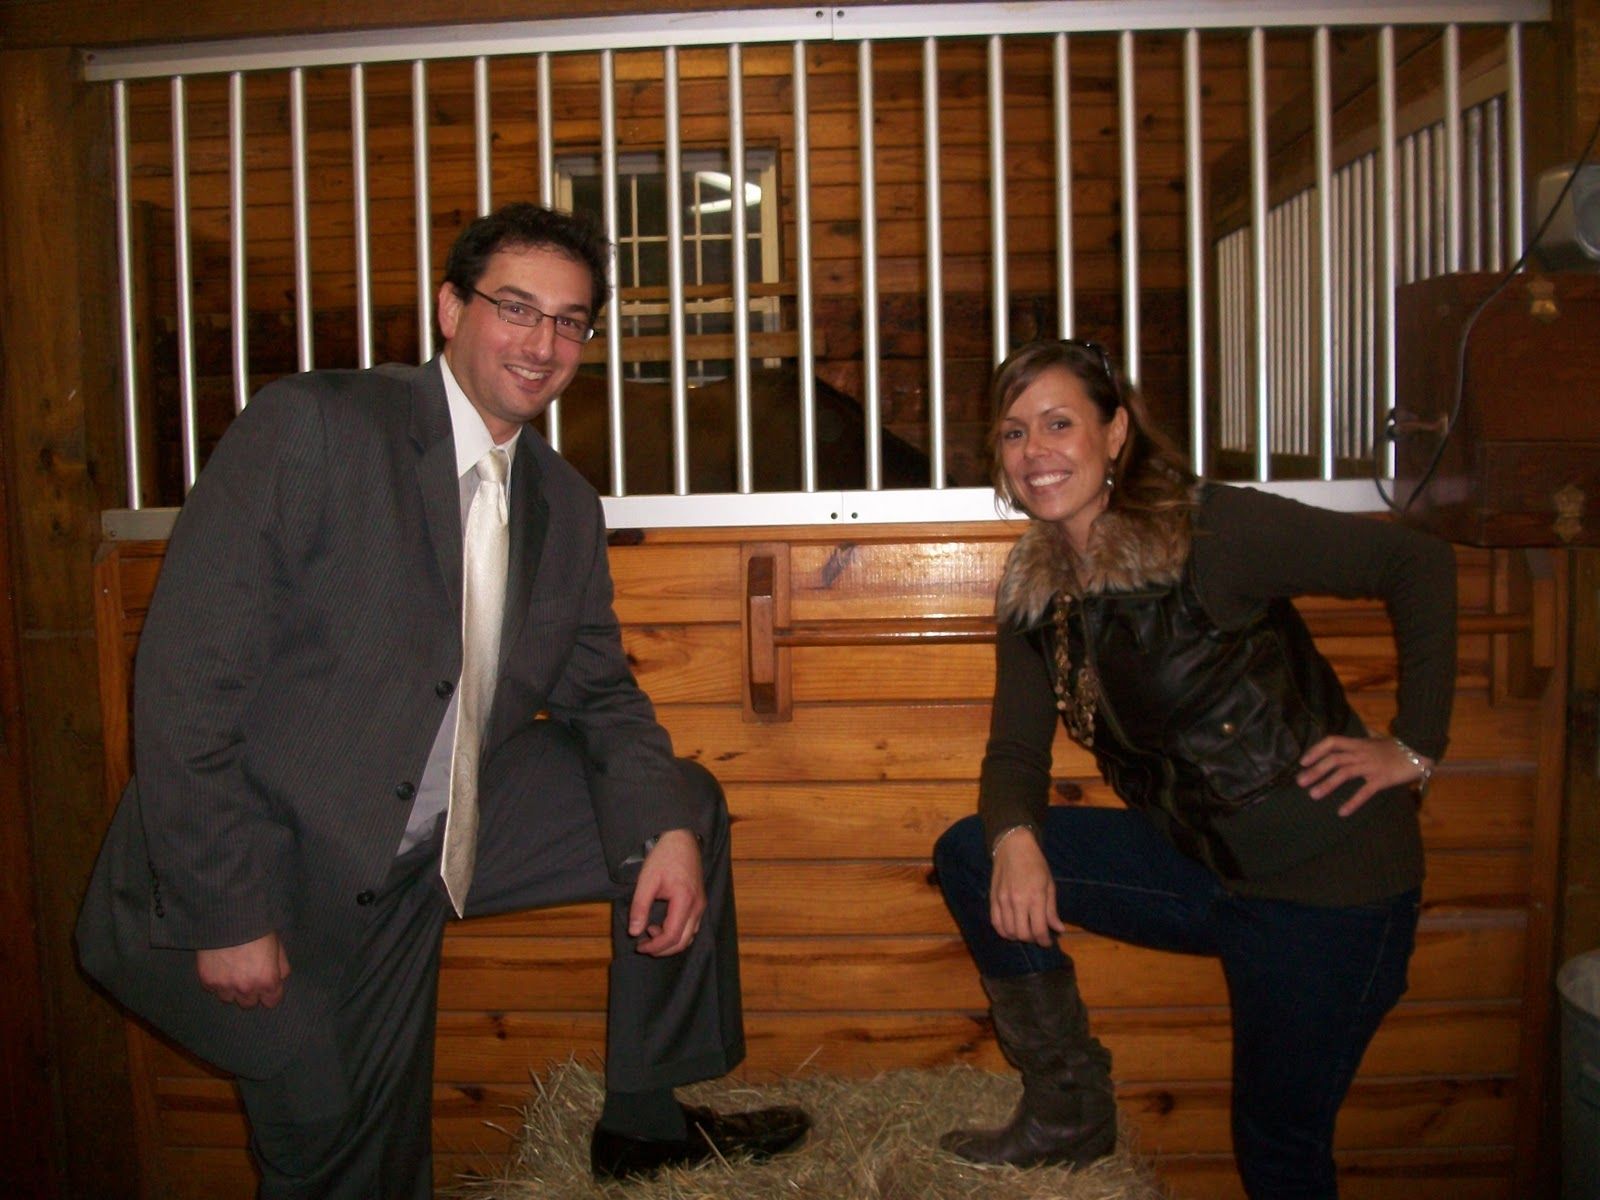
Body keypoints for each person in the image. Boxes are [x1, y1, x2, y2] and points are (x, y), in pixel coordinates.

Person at [76, 202, 809, 1198]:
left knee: (673, 804)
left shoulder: (560, 501)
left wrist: (663, 834)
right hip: (279, 864)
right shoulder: (317, 426)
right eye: (516, 308)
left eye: (569, 321)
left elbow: (599, 691)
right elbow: (184, 679)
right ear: (450, 308)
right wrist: (224, 909)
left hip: (435, 833)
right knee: (347, 1161)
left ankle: (644, 1121)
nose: (543, 342)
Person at [933, 338, 1456, 1198]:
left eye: (1060, 424)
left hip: (1330, 891)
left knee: (1277, 1148)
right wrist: (1018, 838)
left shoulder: (1210, 531)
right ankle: (1069, 1109)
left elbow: (1417, 562)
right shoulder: (1036, 590)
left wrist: (1414, 747)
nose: (1035, 452)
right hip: (1208, 874)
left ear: (1116, 434)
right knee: (971, 851)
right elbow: (1016, 753)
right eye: (1014, 433)